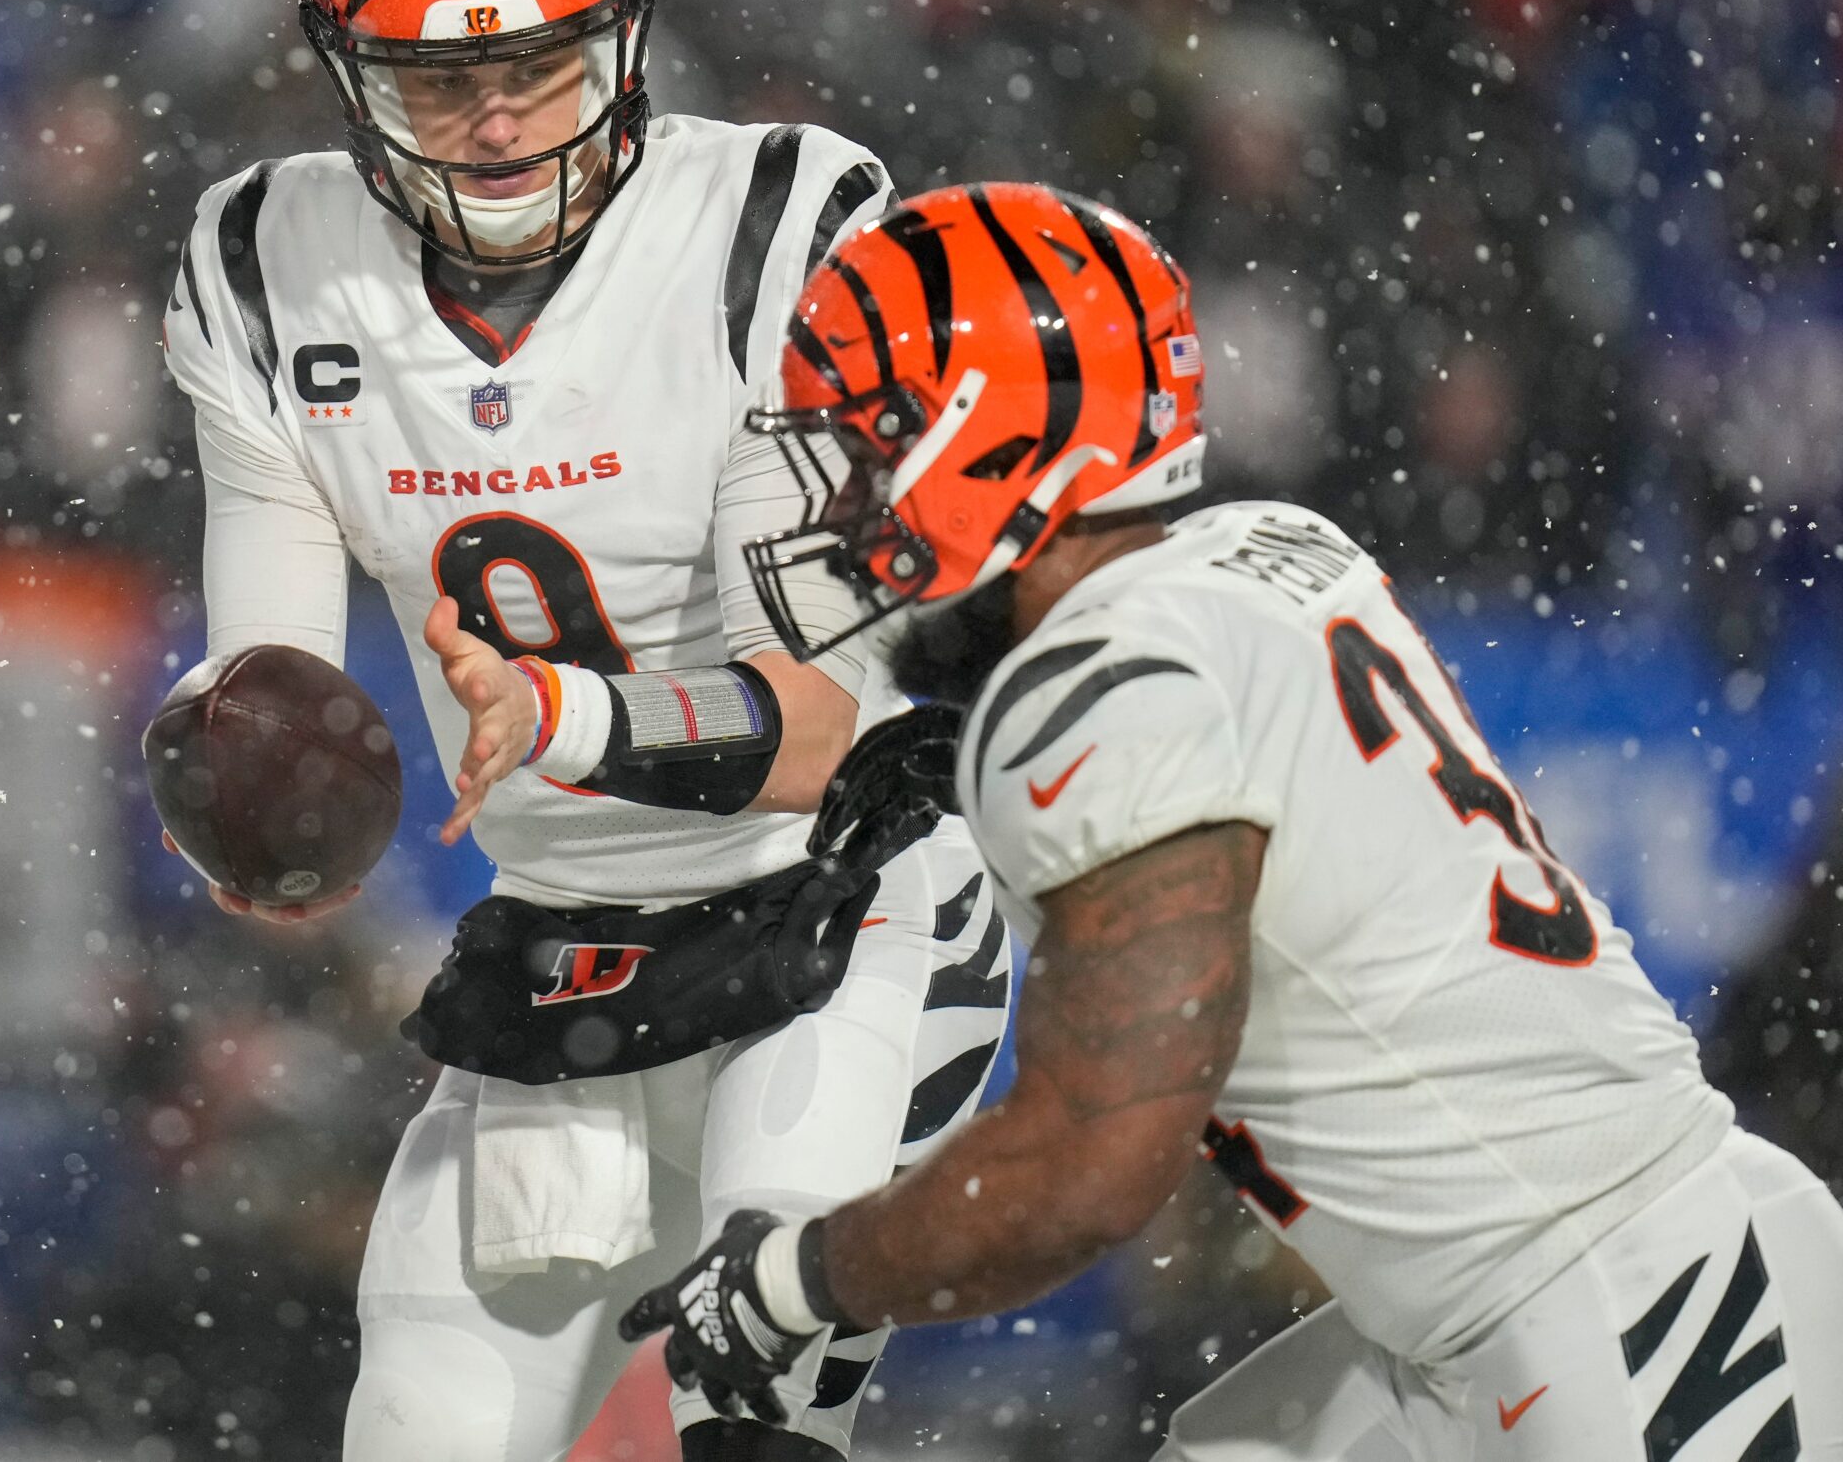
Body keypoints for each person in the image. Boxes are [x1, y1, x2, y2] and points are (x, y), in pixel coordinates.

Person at [620, 181, 1843, 1459]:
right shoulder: (1265, 546)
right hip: (1537, 1288)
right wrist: (956, 750)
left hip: (1633, 1309)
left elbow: (1081, 1171)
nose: (836, 501)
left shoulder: (1101, 695)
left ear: (990, 448)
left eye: (871, 445)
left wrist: (789, 1281)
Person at [155, 0, 1013, 1459]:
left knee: (758, 1385)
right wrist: (247, 793)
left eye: (535, 61)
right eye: (438, 76)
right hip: (577, 934)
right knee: (423, 1408)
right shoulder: (266, 265)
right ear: (346, 73)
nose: (491, 120)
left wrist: (561, 720)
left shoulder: (780, 223)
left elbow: (824, 732)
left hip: (845, 904)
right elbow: (274, 678)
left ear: (625, 36)